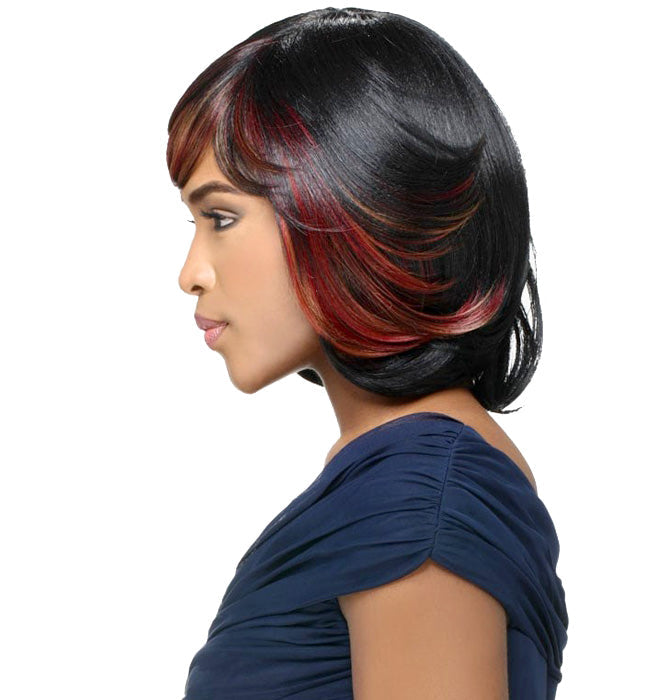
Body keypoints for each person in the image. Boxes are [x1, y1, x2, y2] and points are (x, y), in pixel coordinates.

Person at [167, 7, 568, 699]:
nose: (190, 273)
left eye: (221, 218)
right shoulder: (398, 484)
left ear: (353, 210)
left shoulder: (419, 502)